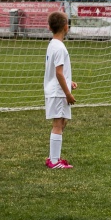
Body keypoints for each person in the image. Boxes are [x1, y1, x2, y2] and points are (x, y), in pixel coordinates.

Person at [44, 11, 78, 169]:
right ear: (66, 27)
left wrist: (69, 82)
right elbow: (58, 73)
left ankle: (53, 157)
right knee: (58, 124)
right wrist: (68, 93)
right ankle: (54, 161)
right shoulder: (60, 48)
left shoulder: (53, 44)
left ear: (49, 27)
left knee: (62, 122)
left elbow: (58, 72)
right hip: (58, 93)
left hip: (57, 89)